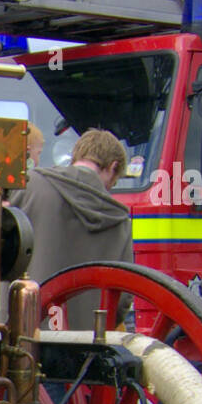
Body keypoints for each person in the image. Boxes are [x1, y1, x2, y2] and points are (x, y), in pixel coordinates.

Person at [18, 128, 134, 326]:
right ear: (113, 166)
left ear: (75, 156)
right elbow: (122, 297)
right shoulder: (119, 219)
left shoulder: (29, 186)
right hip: (82, 344)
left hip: (21, 332)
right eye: (113, 184)